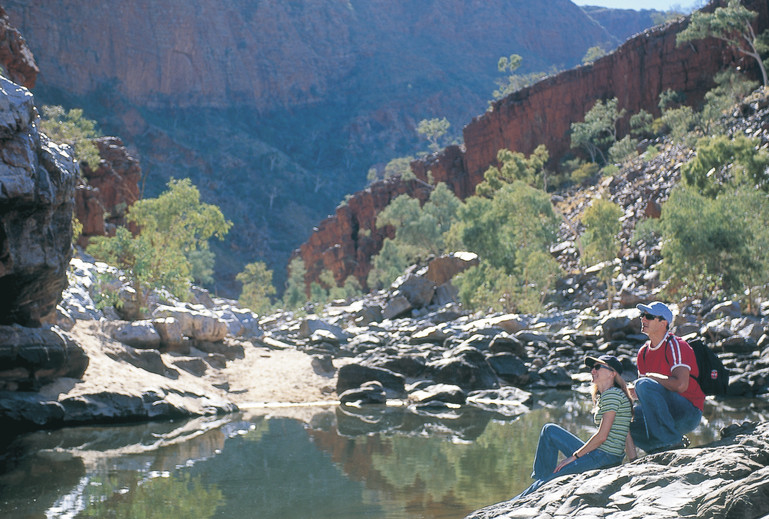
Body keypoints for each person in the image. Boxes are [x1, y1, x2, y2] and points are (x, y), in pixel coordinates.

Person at [515, 354, 635, 499]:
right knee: (549, 430)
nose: (593, 371)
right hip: (606, 457)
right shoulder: (614, 395)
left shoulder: (612, 395)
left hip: (602, 457)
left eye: (598, 367)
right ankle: (543, 479)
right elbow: (626, 433)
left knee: (548, 479)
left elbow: (602, 436)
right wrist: (634, 462)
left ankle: (533, 490)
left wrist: (574, 457)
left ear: (612, 373)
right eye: (592, 368)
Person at [630, 301, 705, 453]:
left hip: (688, 412)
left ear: (663, 323)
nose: (643, 319)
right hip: (663, 414)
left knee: (644, 383)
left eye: (649, 316)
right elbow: (644, 394)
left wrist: (651, 377)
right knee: (620, 417)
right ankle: (657, 448)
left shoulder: (676, 345)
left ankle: (671, 440)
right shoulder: (643, 352)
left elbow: (680, 385)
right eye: (642, 315)